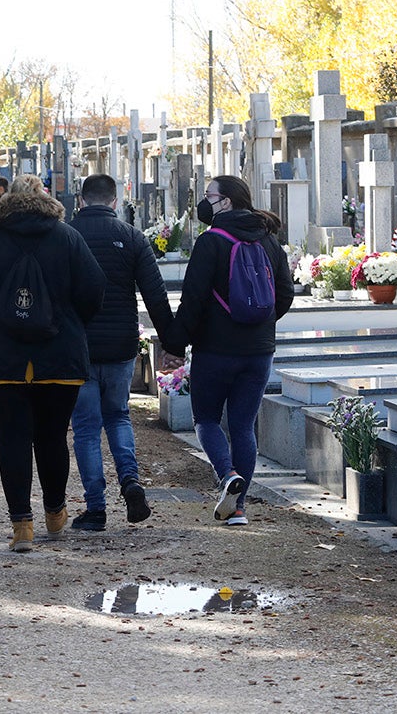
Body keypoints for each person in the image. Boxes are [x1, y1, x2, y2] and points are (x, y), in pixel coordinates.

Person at [0, 174, 104, 553]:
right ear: (44, 199)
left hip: (1, 358)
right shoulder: (67, 237)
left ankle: (22, 525)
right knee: (52, 437)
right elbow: (94, 288)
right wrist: (69, 322)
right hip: (59, 355)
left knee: (12, 439)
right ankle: (55, 511)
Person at [166, 174, 294, 528]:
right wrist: (260, 325)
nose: (205, 202)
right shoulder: (269, 240)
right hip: (259, 351)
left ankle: (227, 477)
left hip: (215, 349)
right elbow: (285, 294)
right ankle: (238, 509)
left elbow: (193, 299)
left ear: (227, 202)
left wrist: (175, 346)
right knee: (243, 426)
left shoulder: (211, 242)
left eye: (210, 196)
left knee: (206, 419)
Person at [67, 174, 176, 531]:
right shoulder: (132, 238)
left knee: (85, 427)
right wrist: (171, 345)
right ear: (115, 201)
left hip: (78, 346)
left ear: (80, 200)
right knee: (118, 415)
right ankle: (130, 480)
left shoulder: (66, 235)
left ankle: (96, 508)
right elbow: (155, 296)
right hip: (121, 344)